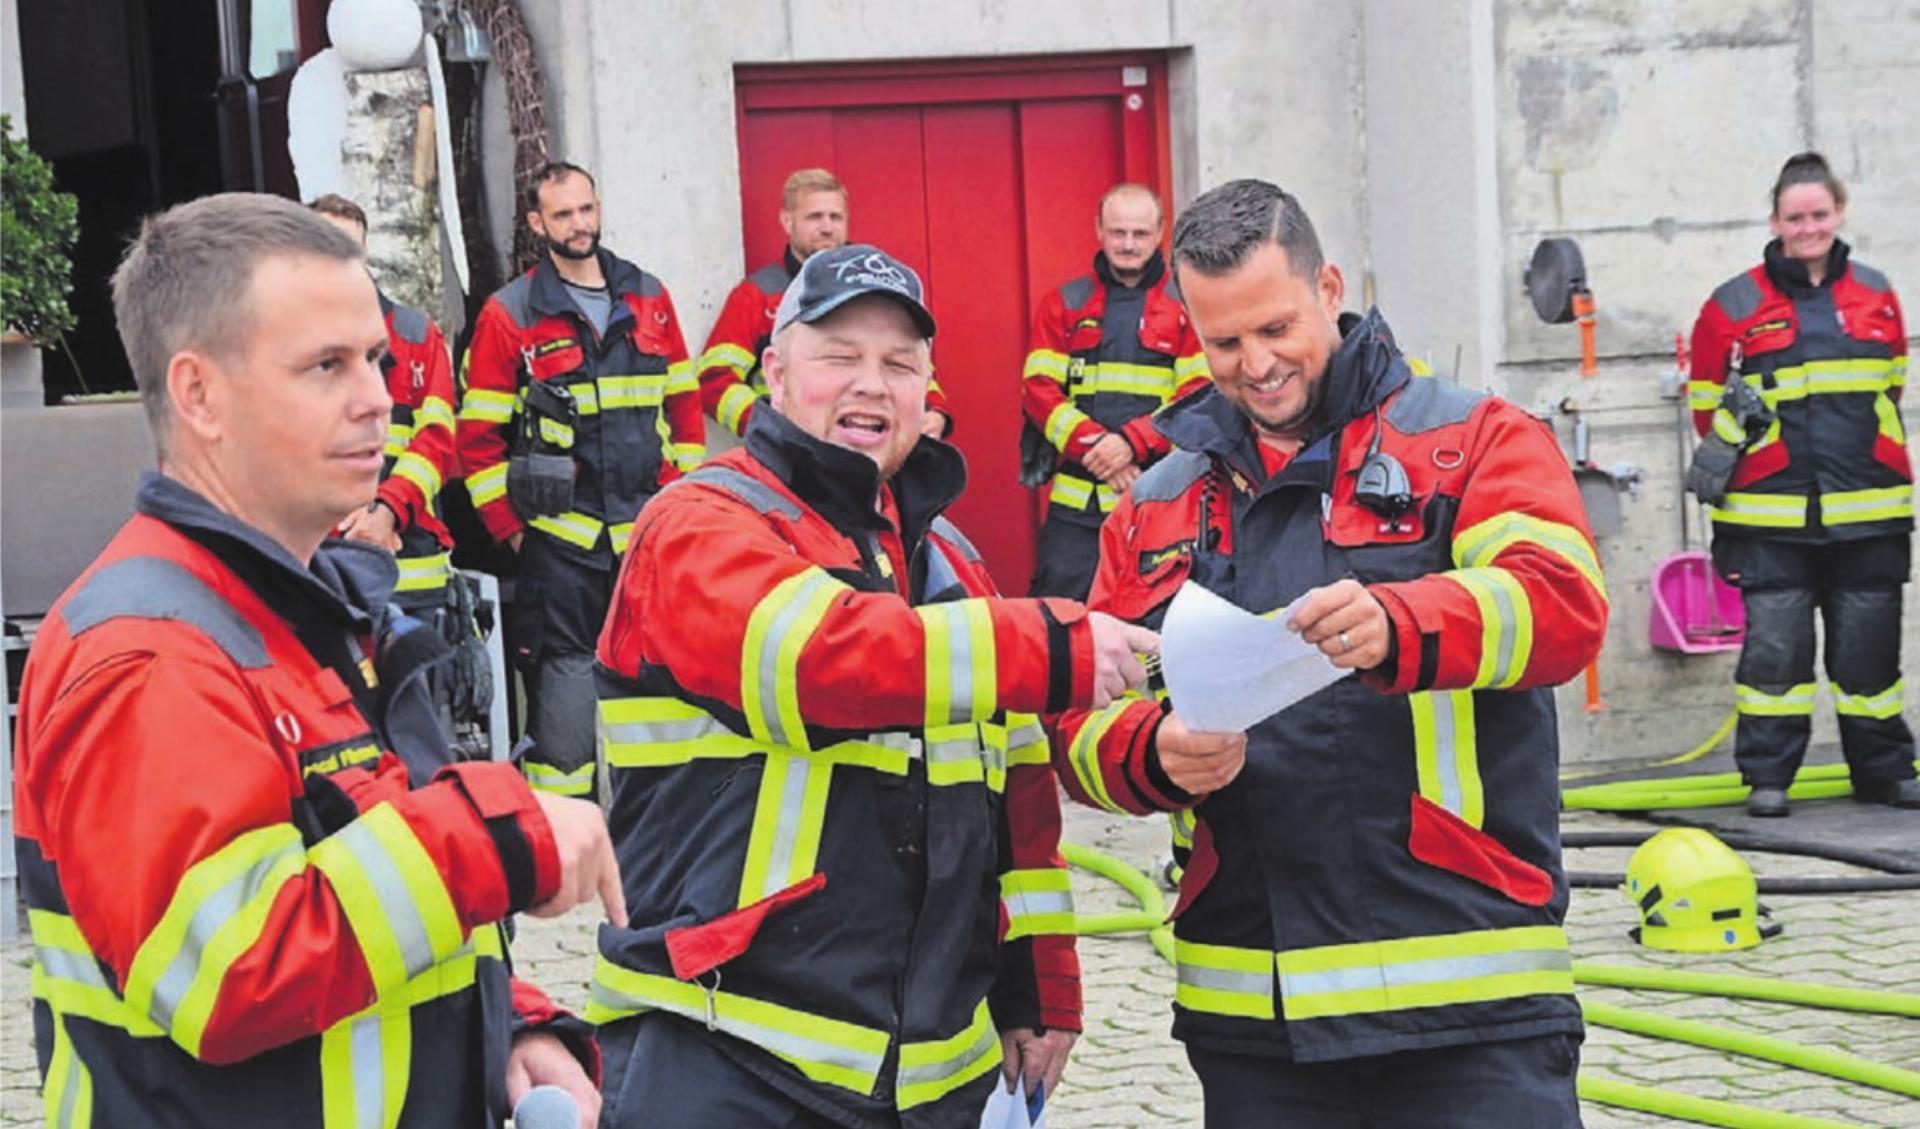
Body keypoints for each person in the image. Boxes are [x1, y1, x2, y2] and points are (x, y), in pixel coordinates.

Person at [12, 192, 625, 1127]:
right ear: (199, 394)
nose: (379, 397)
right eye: (327, 365)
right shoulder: (151, 653)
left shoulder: (311, 611)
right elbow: (226, 969)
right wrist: (503, 831)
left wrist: (509, 1024)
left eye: (376, 358)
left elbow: (372, 895)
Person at [1050, 179, 1609, 1128]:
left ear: (1329, 288)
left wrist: (1406, 620)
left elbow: (1563, 605)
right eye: (1223, 343)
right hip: (1253, 1012)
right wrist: (1152, 753)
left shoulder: (1470, 439)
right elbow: (1079, 718)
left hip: (1467, 999)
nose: (1255, 364)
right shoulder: (1156, 502)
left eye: (1275, 329)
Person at [587, 243, 1157, 1128]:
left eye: (899, 364)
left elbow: (1019, 797)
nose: (871, 384)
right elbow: (823, 661)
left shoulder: (952, 561)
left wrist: (1040, 988)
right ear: (774, 373)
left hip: (930, 1078)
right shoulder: (698, 522)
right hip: (729, 1052)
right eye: (839, 356)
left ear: (929, 393)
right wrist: (1060, 639)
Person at [457, 161, 705, 800]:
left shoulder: (647, 296)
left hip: (647, 540)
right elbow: (477, 442)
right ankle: (564, 842)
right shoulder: (509, 314)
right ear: (538, 223)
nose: (580, 225)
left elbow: (683, 409)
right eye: (563, 214)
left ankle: (656, 826)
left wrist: (677, 503)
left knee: (659, 681)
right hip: (560, 547)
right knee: (566, 692)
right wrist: (514, 535)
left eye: (586, 210)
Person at [1687, 151, 1918, 817]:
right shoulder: (1731, 304)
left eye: (1819, 213)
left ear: (1838, 212)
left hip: (1870, 512)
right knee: (1775, 660)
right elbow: (1708, 405)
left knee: (1869, 661)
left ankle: (1884, 771)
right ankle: (1769, 778)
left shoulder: (1876, 294)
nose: (1808, 226)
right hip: (1769, 519)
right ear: (1776, 221)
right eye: (1796, 216)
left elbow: (1889, 388)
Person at [310, 194, 482, 747]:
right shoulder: (282, 343)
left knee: (421, 736)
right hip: (324, 569)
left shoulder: (416, 335)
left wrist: (385, 513)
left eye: (352, 253)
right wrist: (343, 514)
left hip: (412, 573)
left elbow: (439, 440)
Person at [1021, 183, 1209, 599]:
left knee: (1162, 616)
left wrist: (1130, 443)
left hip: (1161, 496)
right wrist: (1100, 449)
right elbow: (1038, 391)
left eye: (1140, 234)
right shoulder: (1065, 303)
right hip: (1077, 507)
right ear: (1099, 230)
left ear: (1161, 233)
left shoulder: (1189, 306)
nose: (1128, 244)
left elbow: (1198, 395)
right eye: (1118, 232)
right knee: (1062, 617)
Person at [697, 167, 952, 441]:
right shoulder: (757, 296)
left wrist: (935, 412)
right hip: (795, 462)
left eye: (835, 217)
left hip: (874, 449)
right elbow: (714, 380)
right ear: (787, 221)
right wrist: (773, 429)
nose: (827, 227)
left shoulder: (878, 289)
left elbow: (910, 363)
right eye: (815, 217)